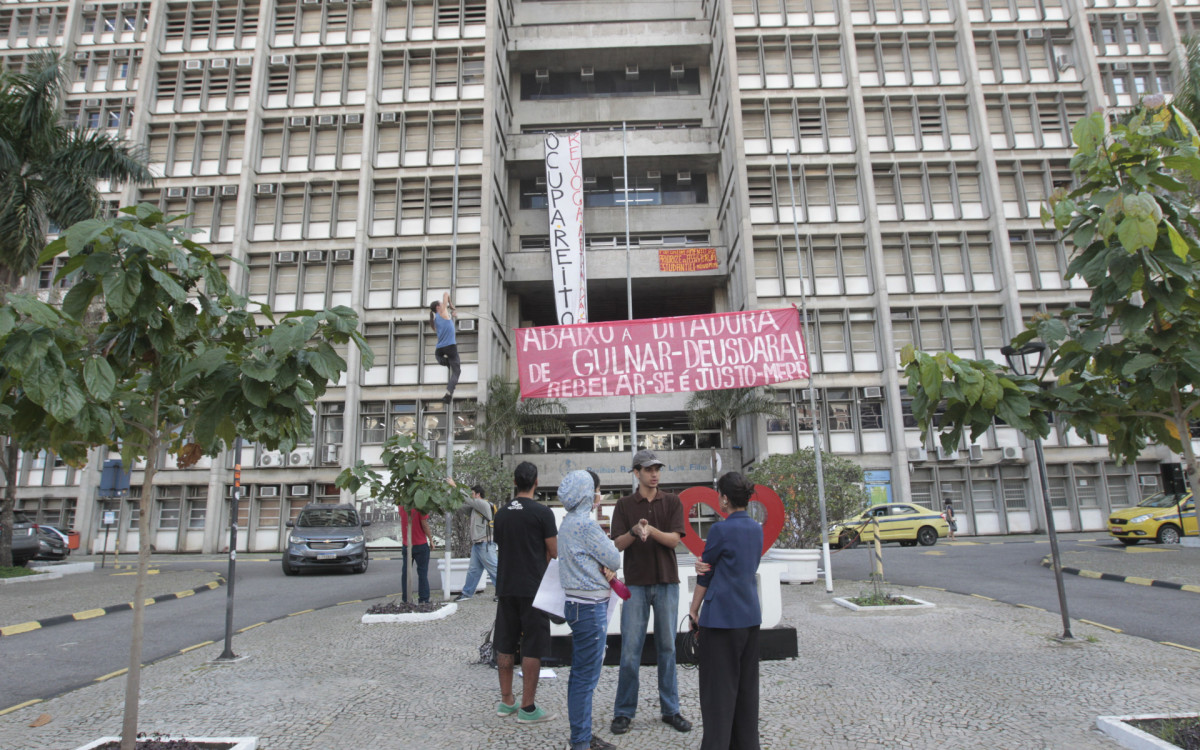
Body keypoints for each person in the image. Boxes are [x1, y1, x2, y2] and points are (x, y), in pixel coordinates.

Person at [609, 449, 691, 736]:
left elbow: (674, 541)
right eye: (648, 469)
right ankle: (623, 712)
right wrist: (634, 531)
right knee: (630, 650)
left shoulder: (672, 501)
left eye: (657, 468)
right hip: (635, 584)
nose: (654, 474)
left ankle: (671, 709)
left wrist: (649, 529)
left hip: (667, 582)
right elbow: (616, 545)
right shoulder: (624, 504)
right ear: (636, 473)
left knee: (668, 647)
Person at [688, 471, 764, 750]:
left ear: (725, 498)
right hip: (749, 615)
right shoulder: (756, 529)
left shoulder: (720, 530)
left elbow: (705, 572)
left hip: (720, 618)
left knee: (718, 692)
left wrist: (693, 609)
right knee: (746, 690)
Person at [558, 470, 622, 750]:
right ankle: (581, 741)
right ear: (587, 493)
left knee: (579, 674)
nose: (599, 495)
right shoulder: (586, 524)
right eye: (597, 490)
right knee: (586, 677)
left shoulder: (568, 522)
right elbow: (614, 558)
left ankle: (581, 735)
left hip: (574, 605)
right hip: (589, 607)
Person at [492, 461, 558, 724]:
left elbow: (502, 545)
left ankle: (507, 701)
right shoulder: (542, 513)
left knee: (505, 643)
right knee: (532, 645)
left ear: (514, 482)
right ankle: (527, 708)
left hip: (507, 586)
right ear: (537, 482)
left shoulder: (502, 514)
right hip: (534, 588)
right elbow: (554, 551)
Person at [455, 484, 498, 602]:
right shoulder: (475, 508)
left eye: (472, 494)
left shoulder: (483, 504)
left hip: (485, 543)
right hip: (478, 544)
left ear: (478, 494)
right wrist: (450, 498)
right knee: (473, 570)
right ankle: (467, 593)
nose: (471, 496)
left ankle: (504, 593)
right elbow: (461, 507)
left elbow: (468, 500)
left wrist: (455, 487)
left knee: (494, 569)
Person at [430, 291, 461, 403]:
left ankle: (448, 363)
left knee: (443, 360)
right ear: (438, 307)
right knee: (457, 371)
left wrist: (452, 317)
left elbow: (448, 328)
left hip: (439, 349)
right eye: (441, 304)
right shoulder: (442, 311)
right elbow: (445, 293)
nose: (444, 305)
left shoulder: (436, 319)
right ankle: (449, 393)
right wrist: (451, 305)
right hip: (450, 347)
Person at [399, 506, 431, 603]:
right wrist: (431, 538)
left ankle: (406, 598)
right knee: (422, 573)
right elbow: (424, 524)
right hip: (420, 543)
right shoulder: (420, 505)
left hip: (407, 544)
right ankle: (424, 599)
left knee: (406, 573)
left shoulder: (402, 505)